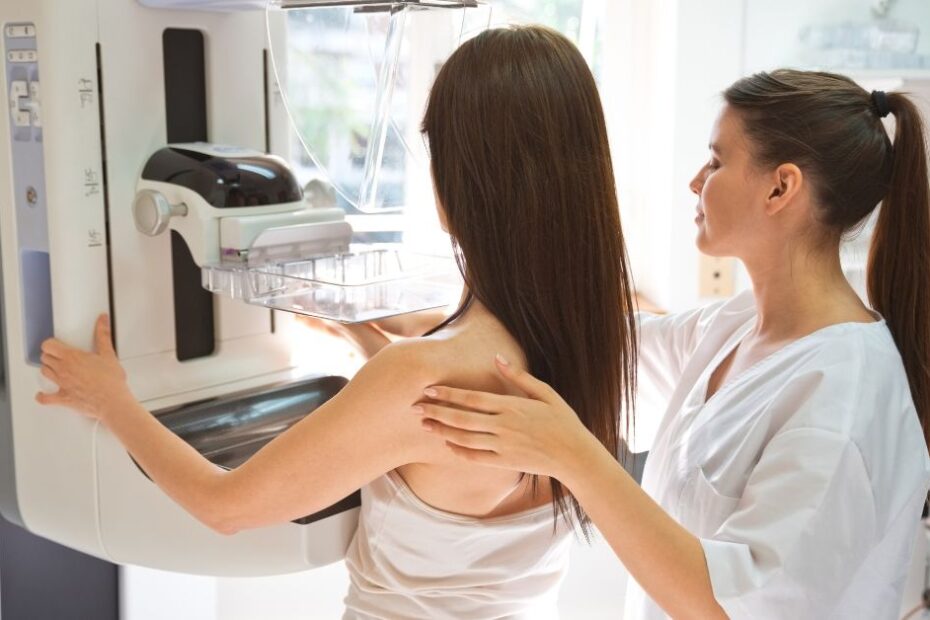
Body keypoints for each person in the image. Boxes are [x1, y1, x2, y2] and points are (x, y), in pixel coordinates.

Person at [34, 25, 638, 619]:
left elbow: (225, 507)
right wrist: (354, 328)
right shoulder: (589, 343)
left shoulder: (418, 374)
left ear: (463, 183)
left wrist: (114, 402)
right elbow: (442, 421)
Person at [414, 70, 930, 618]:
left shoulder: (842, 399)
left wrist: (574, 456)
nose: (695, 181)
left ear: (781, 188)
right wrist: (382, 324)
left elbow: (729, 609)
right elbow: (598, 347)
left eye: (715, 161)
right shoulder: (737, 327)